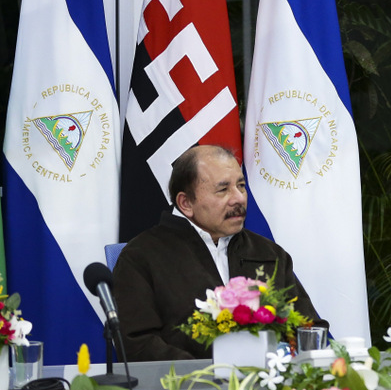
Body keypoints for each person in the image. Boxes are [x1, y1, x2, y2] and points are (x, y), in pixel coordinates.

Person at [113, 145, 320, 361]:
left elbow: (308, 327)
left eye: (241, 186)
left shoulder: (269, 253)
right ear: (186, 203)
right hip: (188, 381)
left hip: (271, 378)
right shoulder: (141, 256)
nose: (239, 198)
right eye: (223, 190)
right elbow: (137, 344)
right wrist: (206, 374)